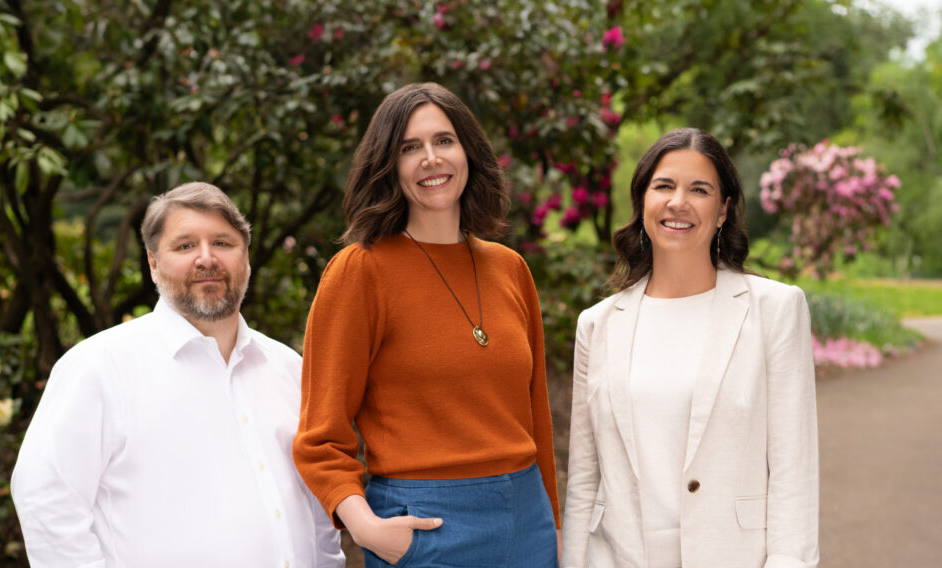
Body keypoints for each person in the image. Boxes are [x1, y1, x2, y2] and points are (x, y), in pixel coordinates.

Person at [292, 82, 561, 567]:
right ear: (388, 166)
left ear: (468, 152)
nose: (431, 159)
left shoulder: (510, 268)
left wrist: (554, 528)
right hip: (425, 528)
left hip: (528, 524)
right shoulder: (360, 271)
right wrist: (367, 528)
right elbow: (320, 436)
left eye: (444, 141)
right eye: (409, 148)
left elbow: (537, 419)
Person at [11, 182, 344, 567]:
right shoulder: (98, 367)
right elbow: (46, 497)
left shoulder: (288, 368)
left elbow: (316, 505)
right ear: (153, 263)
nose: (207, 258)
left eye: (223, 243)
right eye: (185, 246)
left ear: (246, 258)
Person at [562, 128, 819, 568]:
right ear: (643, 201)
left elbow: (793, 471)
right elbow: (584, 479)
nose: (678, 202)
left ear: (722, 211)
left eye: (699, 190)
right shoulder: (598, 325)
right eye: (664, 186)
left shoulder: (774, 310)